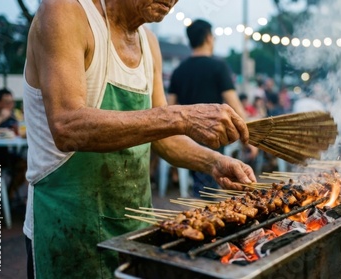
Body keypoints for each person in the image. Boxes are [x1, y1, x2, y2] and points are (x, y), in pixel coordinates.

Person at [22, 1, 256, 278]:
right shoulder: (65, 11)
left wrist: (214, 162)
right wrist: (180, 117)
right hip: (67, 226)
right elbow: (67, 125)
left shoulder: (150, 44)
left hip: (134, 228)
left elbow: (164, 139)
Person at [168, 19, 250, 197]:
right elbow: (234, 104)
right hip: (213, 136)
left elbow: (169, 108)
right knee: (209, 190)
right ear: (208, 37)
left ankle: (200, 202)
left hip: (186, 141)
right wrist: (249, 134)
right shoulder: (218, 67)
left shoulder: (178, 71)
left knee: (201, 185)